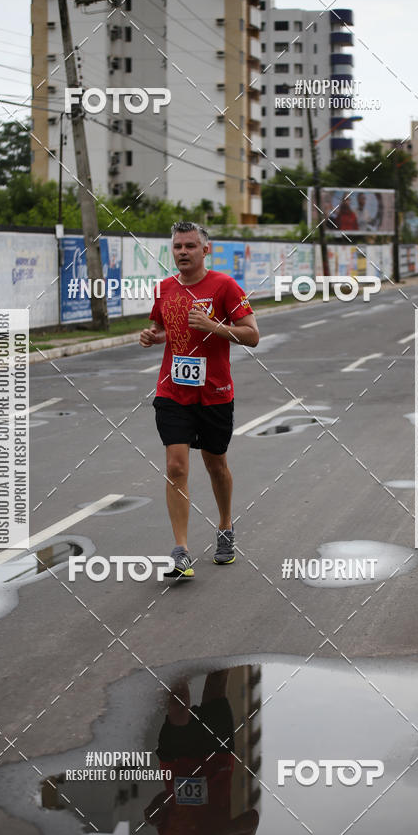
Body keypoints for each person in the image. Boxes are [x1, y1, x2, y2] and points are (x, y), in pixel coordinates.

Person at [139, 222, 259, 581]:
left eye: (190, 246)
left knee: (215, 464)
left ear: (206, 250)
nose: (183, 252)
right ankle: (181, 551)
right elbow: (163, 328)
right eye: (178, 246)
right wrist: (152, 336)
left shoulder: (225, 286)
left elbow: (252, 335)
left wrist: (215, 327)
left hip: (215, 393)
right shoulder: (164, 288)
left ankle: (225, 526)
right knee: (176, 466)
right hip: (172, 391)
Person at [144, 670, 259, 835]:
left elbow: (168, 801)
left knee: (178, 704)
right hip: (217, 759)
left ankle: (175, 656)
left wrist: (154, 809)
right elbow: (252, 820)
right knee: (216, 683)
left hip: (176, 762)